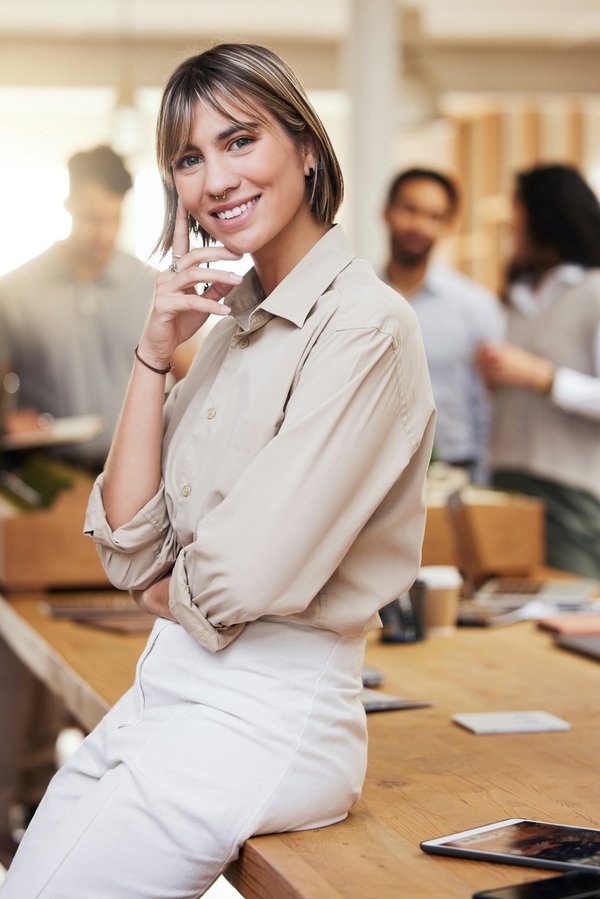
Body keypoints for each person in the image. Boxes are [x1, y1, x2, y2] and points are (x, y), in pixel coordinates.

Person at [2, 43, 435, 898]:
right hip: (169, 687)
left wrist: (160, 585)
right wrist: (152, 354)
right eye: (189, 159)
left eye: (241, 141)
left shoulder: (365, 327)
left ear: (307, 148)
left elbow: (240, 571)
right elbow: (129, 539)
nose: (214, 179)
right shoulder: (231, 328)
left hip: (268, 714)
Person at [0, 144, 156, 470]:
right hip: (45, 476)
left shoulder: (151, 286)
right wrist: (7, 420)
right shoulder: (15, 290)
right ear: (68, 206)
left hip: (134, 470)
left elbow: (191, 374)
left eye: (113, 219)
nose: (102, 233)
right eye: (91, 218)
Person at [477, 164, 600, 578]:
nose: (512, 224)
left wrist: (540, 376)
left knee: (570, 615)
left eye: (518, 210)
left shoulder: (594, 292)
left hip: (570, 492)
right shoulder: (516, 297)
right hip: (507, 480)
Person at [383, 168, 503, 482]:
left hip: (454, 472)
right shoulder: (355, 295)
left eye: (434, 216)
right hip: (374, 469)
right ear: (386, 211)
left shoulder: (476, 306)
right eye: (410, 210)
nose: (419, 225)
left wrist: (483, 480)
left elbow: (488, 402)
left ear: (448, 226)